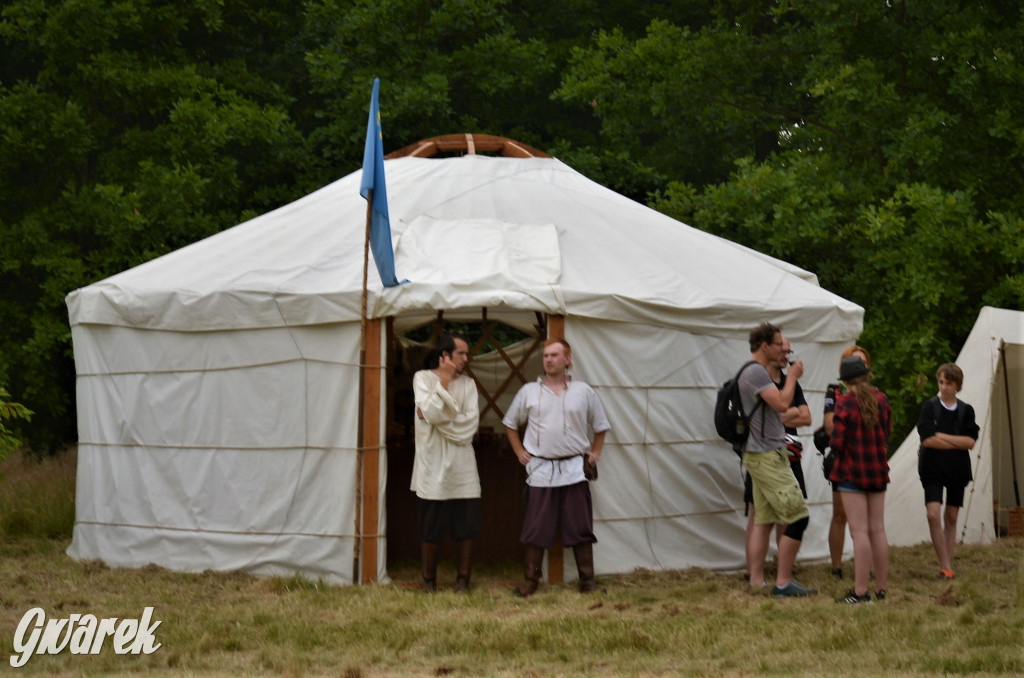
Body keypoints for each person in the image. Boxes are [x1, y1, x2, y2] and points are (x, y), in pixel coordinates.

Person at [503, 337, 611, 596]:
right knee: (536, 527)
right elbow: (509, 423)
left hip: (574, 470)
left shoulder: (583, 391)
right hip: (540, 471)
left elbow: (600, 425)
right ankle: (531, 582)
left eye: (554, 355)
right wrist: (519, 451)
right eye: (545, 356)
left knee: (580, 527)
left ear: (568, 360)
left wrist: (595, 452)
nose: (548, 360)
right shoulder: (529, 391)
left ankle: (588, 582)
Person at [739, 322, 817, 598]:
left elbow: (801, 415)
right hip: (768, 456)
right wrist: (793, 375)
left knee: (762, 519)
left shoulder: (750, 372)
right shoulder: (756, 373)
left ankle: (757, 581)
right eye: (779, 345)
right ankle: (783, 583)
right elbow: (783, 404)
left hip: (761, 453)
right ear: (765, 347)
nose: (784, 350)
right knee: (799, 516)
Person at [411, 333, 481, 592]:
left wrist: (434, 417)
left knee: (467, 526)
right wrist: (444, 383)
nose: (466, 358)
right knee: (431, 528)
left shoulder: (469, 385)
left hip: (463, 466)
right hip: (432, 464)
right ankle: (429, 582)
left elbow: (469, 427)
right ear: (444, 356)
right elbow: (429, 411)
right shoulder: (422, 378)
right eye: (461, 353)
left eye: (466, 353)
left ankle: (463, 580)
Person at [828, 356, 892, 604]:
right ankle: (882, 589)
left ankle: (861, 592)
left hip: (851, 472)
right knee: (878, 529)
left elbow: (837, 442)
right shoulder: (882, 400)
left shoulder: (844, 403)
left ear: (844, 381)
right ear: (867, 375)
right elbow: (886, 434)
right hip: (877, 471)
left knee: (859, 532)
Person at [917, 363, 979, 581]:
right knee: (933, 514)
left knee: (951, 517)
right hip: (932, 468)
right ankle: (945, 566)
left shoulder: (966, 410)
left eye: (949, 383)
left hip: (957, 470)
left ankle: (947, 567)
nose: (944, 387)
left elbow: (970, 441)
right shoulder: (929, 407)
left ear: (957, 385)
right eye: (941, 382)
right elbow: (928, 440)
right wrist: (956, 441)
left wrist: (943, 437)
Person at [821, 345, 872, 579]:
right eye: (855, 361)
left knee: (867, 517)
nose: (860, 366)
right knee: (840, 513)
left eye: (863, 362)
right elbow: (830, 425)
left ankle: (867, 567)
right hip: (842, 458)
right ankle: (836, 567)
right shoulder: (835, 389)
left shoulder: (874, 393)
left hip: (866, 459)